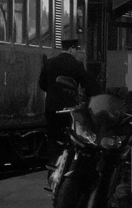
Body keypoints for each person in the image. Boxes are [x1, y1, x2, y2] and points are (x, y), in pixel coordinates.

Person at [38, 36, 94, 165]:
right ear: (72, 49)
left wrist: (53, 93)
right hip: (70, 109)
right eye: (76, 50)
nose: (77, 52)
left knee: (53, 138)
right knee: (72, 137)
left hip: (51, 108)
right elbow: (87, 86)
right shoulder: (76, 64)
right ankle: (68, 163)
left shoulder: (49, 63)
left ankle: (53, 163)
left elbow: (42, 84)